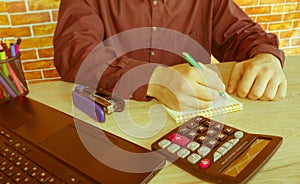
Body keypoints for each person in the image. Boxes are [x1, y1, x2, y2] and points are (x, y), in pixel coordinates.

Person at [53, 0, 287, 112]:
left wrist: (265, 57)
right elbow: (73, 51)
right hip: (120, 119)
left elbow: (241, 34)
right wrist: (153, 79)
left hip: (194, 120)